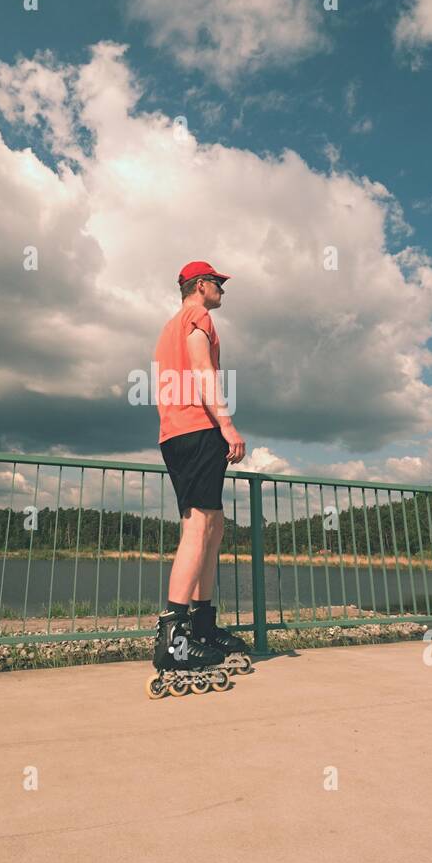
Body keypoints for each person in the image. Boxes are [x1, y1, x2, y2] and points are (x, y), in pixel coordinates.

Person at [148, 260, 251, 695]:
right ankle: (173, 636)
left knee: (213, 525)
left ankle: (203, 625)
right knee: (197, 527)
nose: (223, 291)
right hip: (197, 429)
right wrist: (226, 424)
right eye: (218, 284)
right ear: (201, 286)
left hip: (179, 434)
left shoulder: (168, 327)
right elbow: (203, 371)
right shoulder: (196, 317)